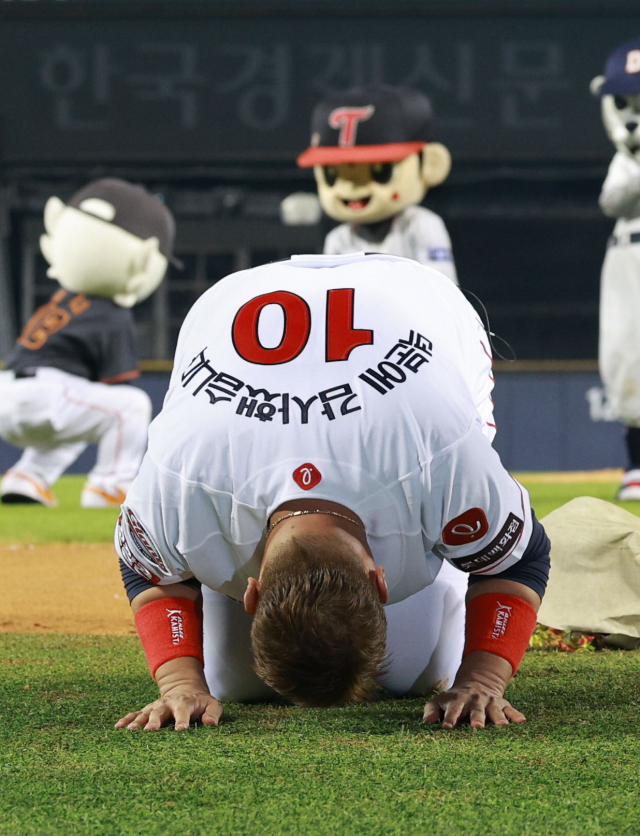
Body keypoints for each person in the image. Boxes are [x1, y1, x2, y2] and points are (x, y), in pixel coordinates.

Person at [114, 252, 550, 731]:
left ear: (251, 593)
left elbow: (519, 557)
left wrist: (482, 678)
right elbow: (147, 567)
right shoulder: (182, 468)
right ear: (379, 580)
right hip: (240, 303)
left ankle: (451, 567)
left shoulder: (442, 448)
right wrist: (180, 683)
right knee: (238, 681)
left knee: (405, 669)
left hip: (421, 306)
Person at [0, 178, 179, 508]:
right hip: (45, 393)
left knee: (83, 417)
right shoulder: (111, 311)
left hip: (9, 391)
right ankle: (110, 485)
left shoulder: (62, 298)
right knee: (131, 405)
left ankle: (27, 478)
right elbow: (120, 381)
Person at [282, 85, 457, 283]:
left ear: (430, 164)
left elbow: (443, 287)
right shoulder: (339, 238)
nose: (352, 187)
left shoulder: (421, 225)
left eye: (380, 171)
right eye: (333, 174)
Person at [590, 39, 640, 499]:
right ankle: (636, 464)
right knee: (628, 355)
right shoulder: (626, 158)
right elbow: (612, 201)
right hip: (628, 254)